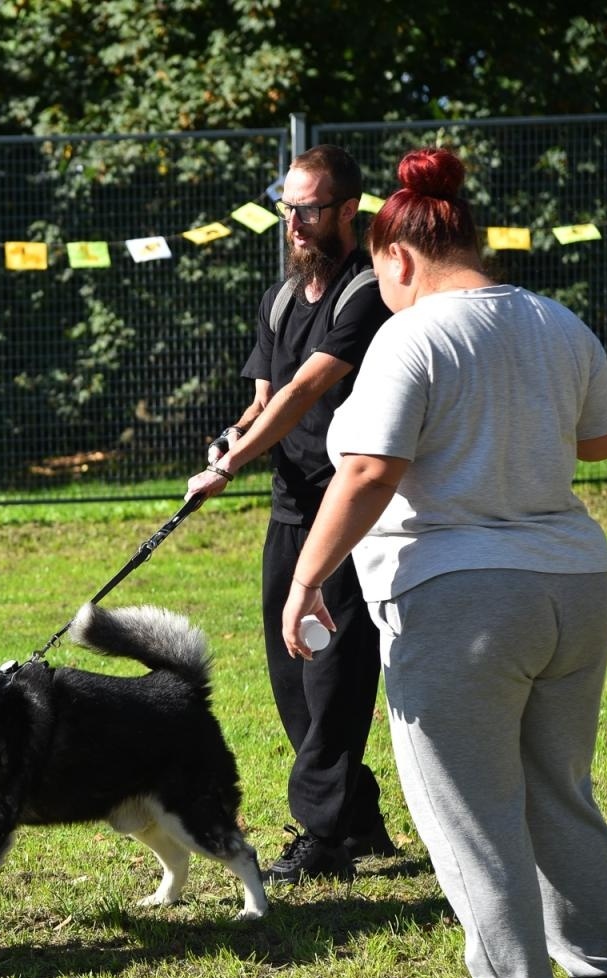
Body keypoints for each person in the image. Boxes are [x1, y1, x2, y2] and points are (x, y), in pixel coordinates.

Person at [280, 147, 607, 978]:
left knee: (470, 812)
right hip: (576, 586)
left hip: (461, 598)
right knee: (561, 789)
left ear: (398, 256)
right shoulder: (557, 321)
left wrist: (307, 577)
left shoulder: (411, 336)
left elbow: (366, 470)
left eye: (382, 274)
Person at [186, 145, 397, 884]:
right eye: (287, 210)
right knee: (292, 674)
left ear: (347, 210)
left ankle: (324, 836)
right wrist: (230, 438)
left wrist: (229, 467)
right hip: (289, 506)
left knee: (333, 674)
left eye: (307, 210)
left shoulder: (367, 292)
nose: (294, 224)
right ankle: (357, 816)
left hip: (348, 506)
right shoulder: (280, 299)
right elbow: (266, 399)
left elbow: (308, 388)